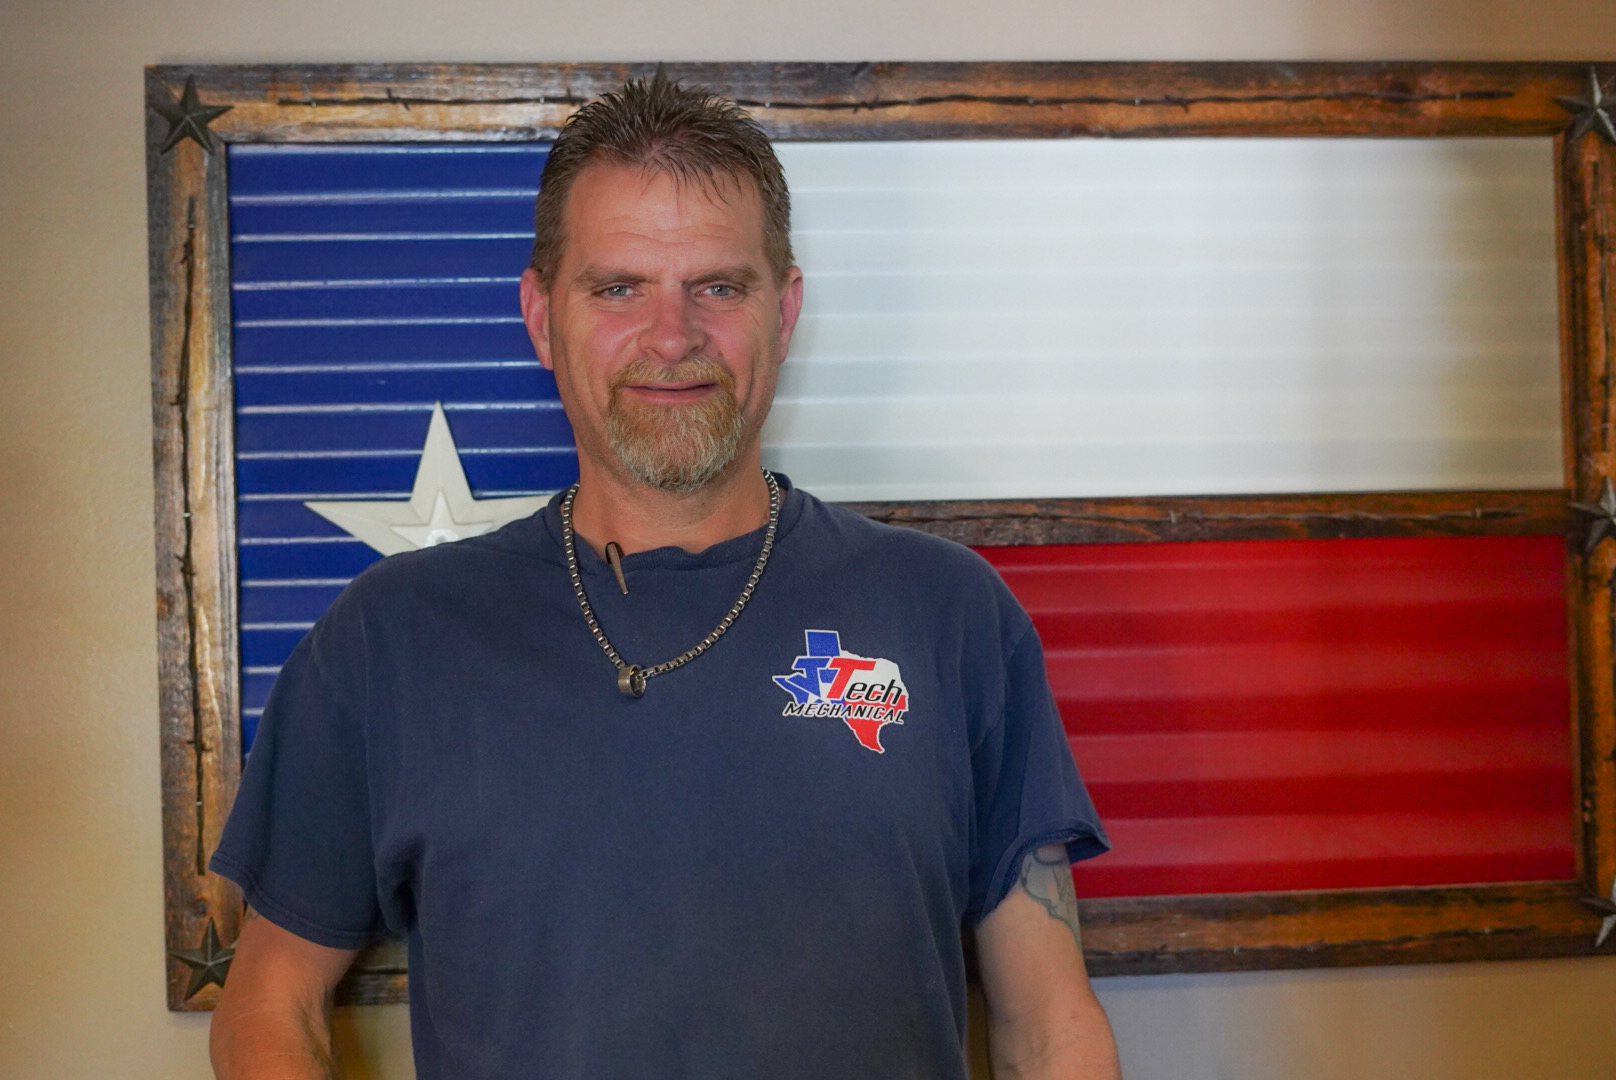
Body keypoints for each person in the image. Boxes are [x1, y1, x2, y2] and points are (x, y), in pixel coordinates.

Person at [208, 76, 1121, 1080]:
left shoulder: (949, 616)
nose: (673, 336)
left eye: (718, 287)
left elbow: (1047, 1026)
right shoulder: (390, 639)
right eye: (617, 288)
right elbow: (269, 1005)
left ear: (786, 310)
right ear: (539, 316)